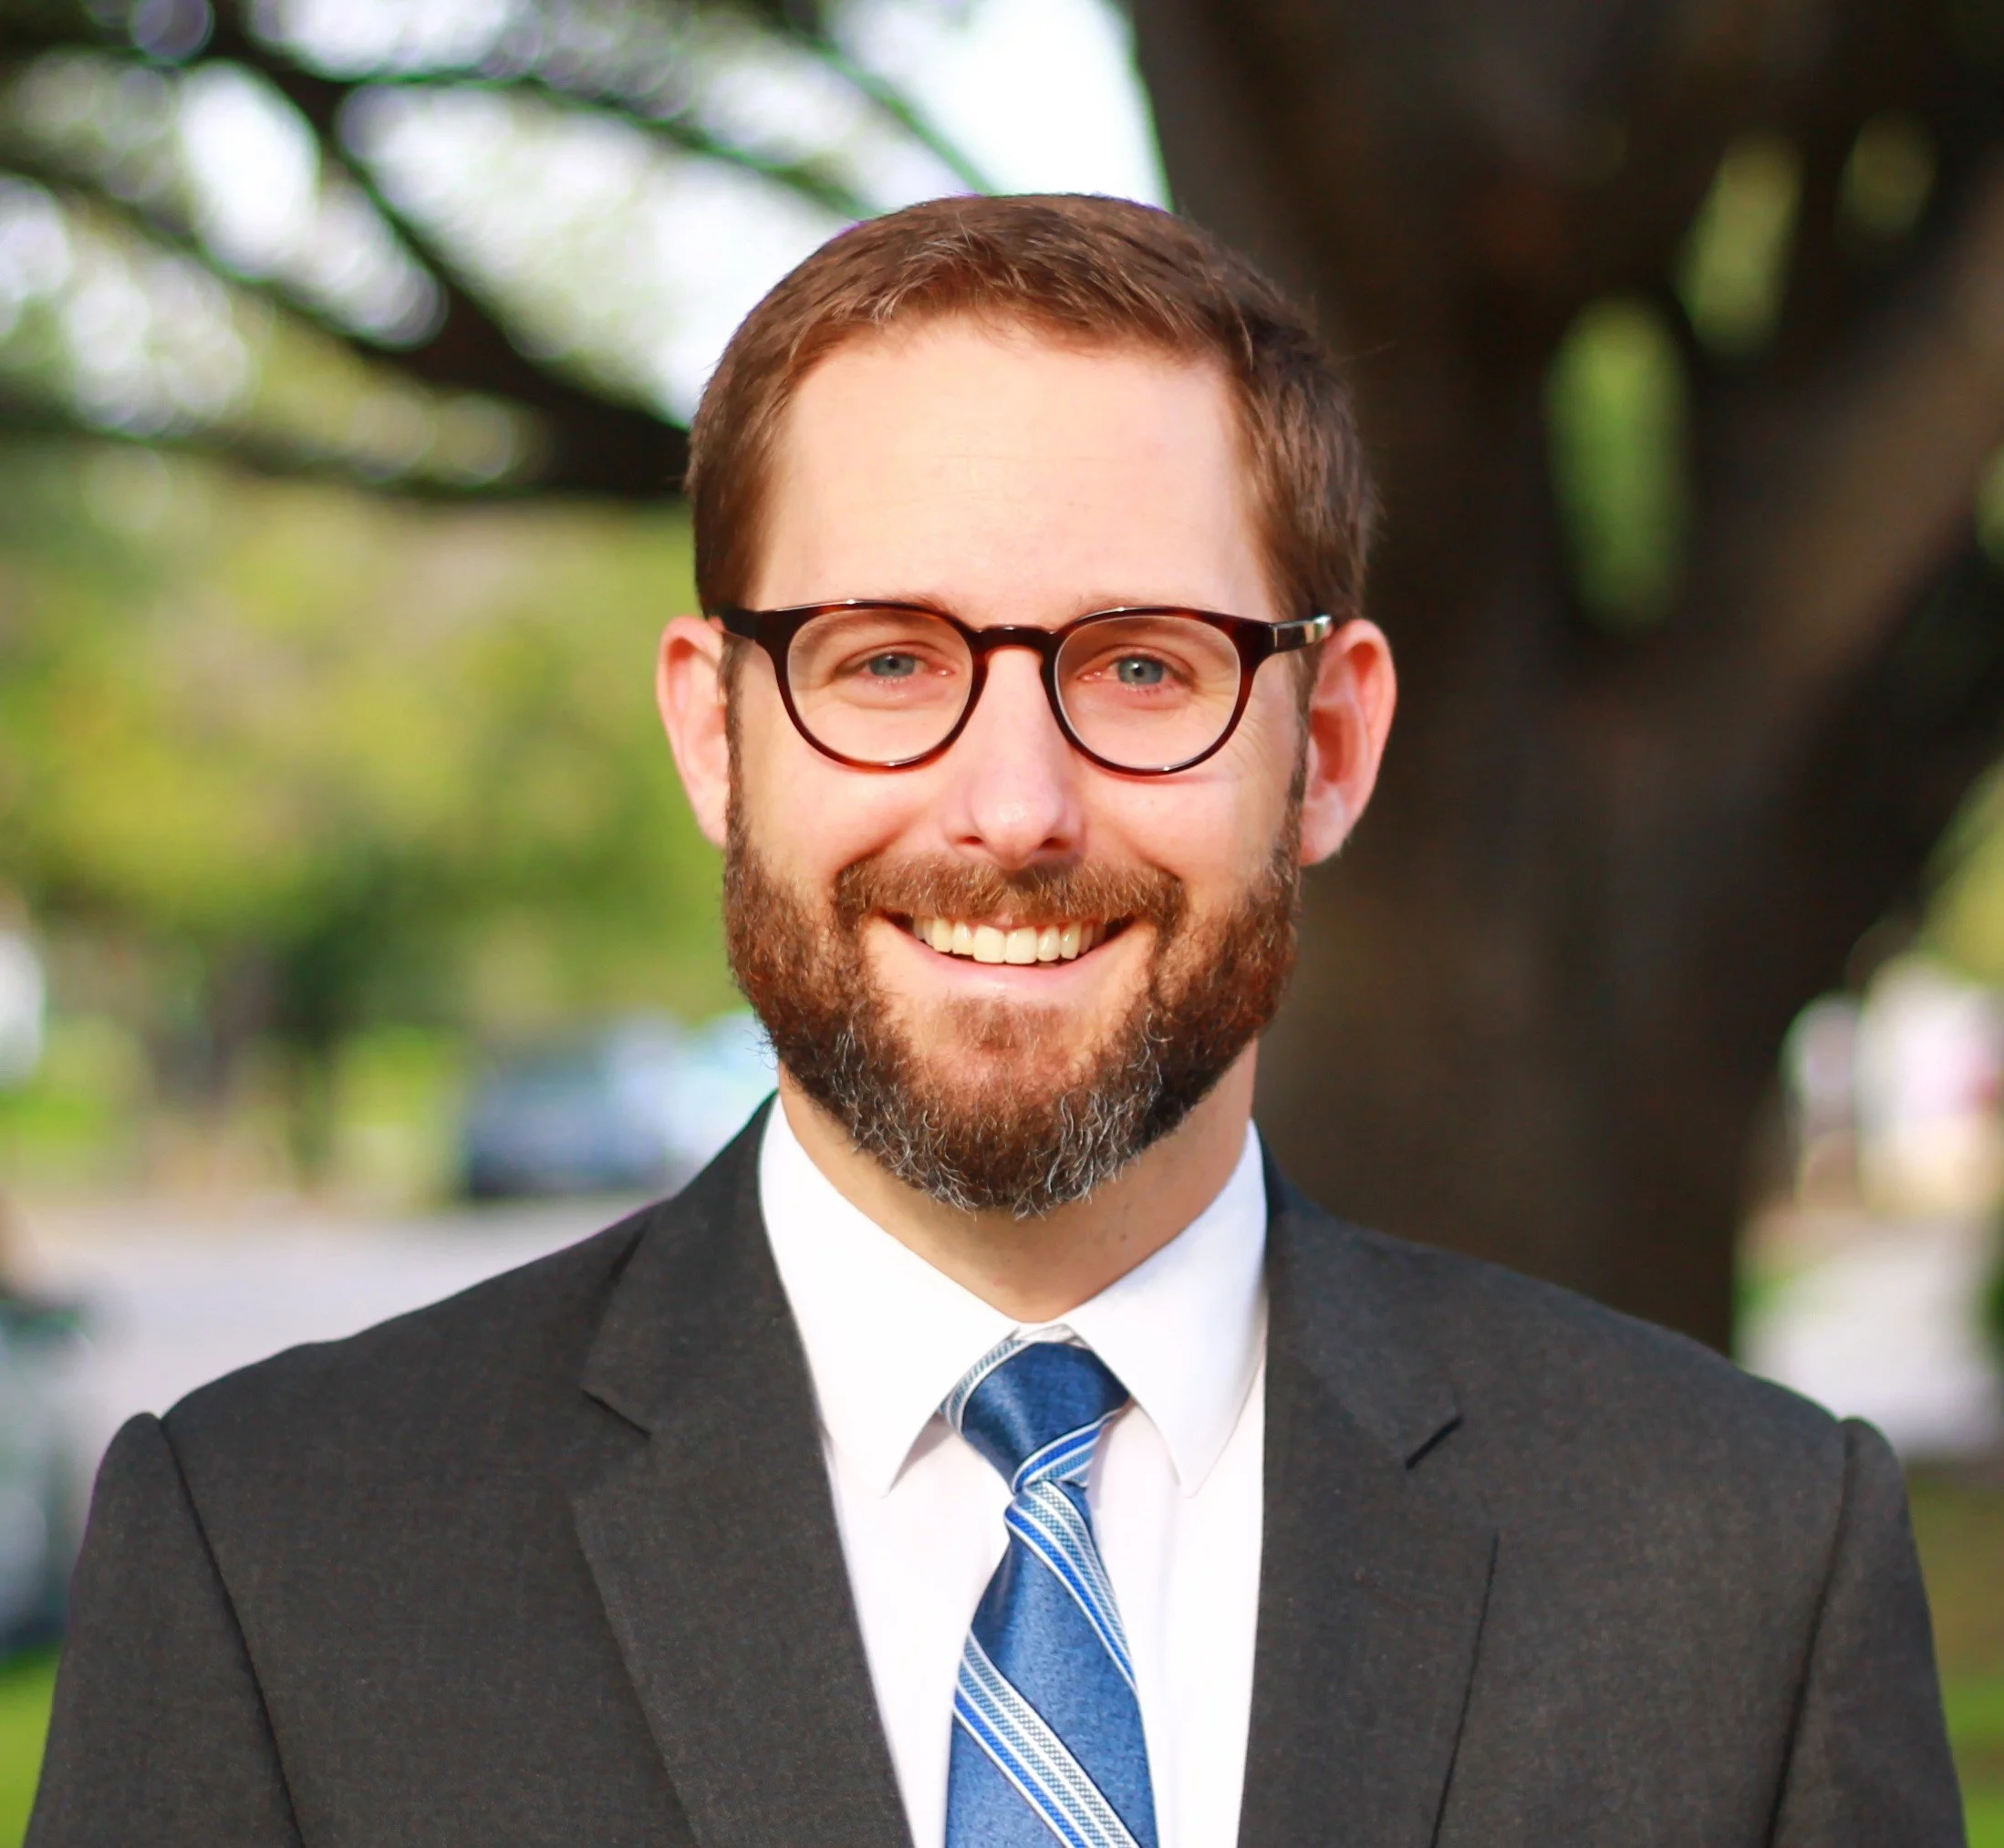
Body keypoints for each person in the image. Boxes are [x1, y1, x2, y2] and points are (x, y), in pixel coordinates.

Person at [28, 195, 1962, 1848]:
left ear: (1333, 742)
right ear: (716, 730)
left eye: (1142, 663)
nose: (1012, 807)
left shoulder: (1741, 1563)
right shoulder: (277, 1556)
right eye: (886, 661)